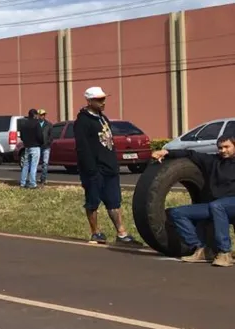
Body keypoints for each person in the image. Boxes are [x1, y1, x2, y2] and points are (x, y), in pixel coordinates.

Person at [152, 134, 235, 267]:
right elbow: (190, 153)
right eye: (220, 148)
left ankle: (225, 252)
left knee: (217, 206)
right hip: (215, 207)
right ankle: (201, 249)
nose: (223, 150)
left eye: (227, 147)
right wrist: (166, 152)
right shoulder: (213, 161)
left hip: (231, 204)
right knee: (177, 213)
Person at [74, 86, 137, 245]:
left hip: (110, 167)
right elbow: (82, 148)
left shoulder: (103, 118)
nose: (103, 103)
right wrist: (91, 170)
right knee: (93, 201)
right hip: (94, 170)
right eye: (99, 100)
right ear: (89, 101)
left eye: (104, 99)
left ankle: (121, 233)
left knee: (114, 201)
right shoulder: (82, 121)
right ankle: (95, 232)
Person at [18, 109, 42, 189]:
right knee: (34, 165)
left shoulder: (24, 124)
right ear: (34, 115)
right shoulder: (36, 123)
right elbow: (40, 136)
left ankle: (22, 183)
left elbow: (21, 136)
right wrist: (41, 142)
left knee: (26, 165)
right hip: (35, 146)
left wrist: (26, 141)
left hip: (27, 146)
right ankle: (32, 183)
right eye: (37, 115)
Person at [37, 109, 52, 185]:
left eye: (44, 115)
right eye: (41, 115)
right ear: (38, 115)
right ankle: (32, 179)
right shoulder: (36, 124)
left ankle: (43, 178)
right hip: (37, 146)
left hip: (46, 147)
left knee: (45, 163)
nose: (42, 116)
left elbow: (51, 136)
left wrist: (48, 142)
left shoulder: (48, 124)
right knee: (35, 163)